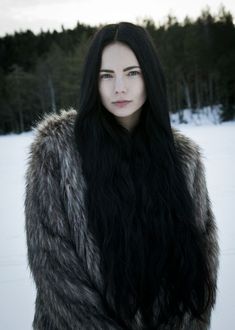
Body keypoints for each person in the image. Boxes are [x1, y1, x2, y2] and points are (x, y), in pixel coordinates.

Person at [25, 22, 219, 330]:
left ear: (150, 77)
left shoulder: (184, 161)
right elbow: (55, 272)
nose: (119, 87)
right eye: (106, 76)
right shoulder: (56, 153)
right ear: (93, 81)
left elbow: (199, 268)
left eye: (132, 73)